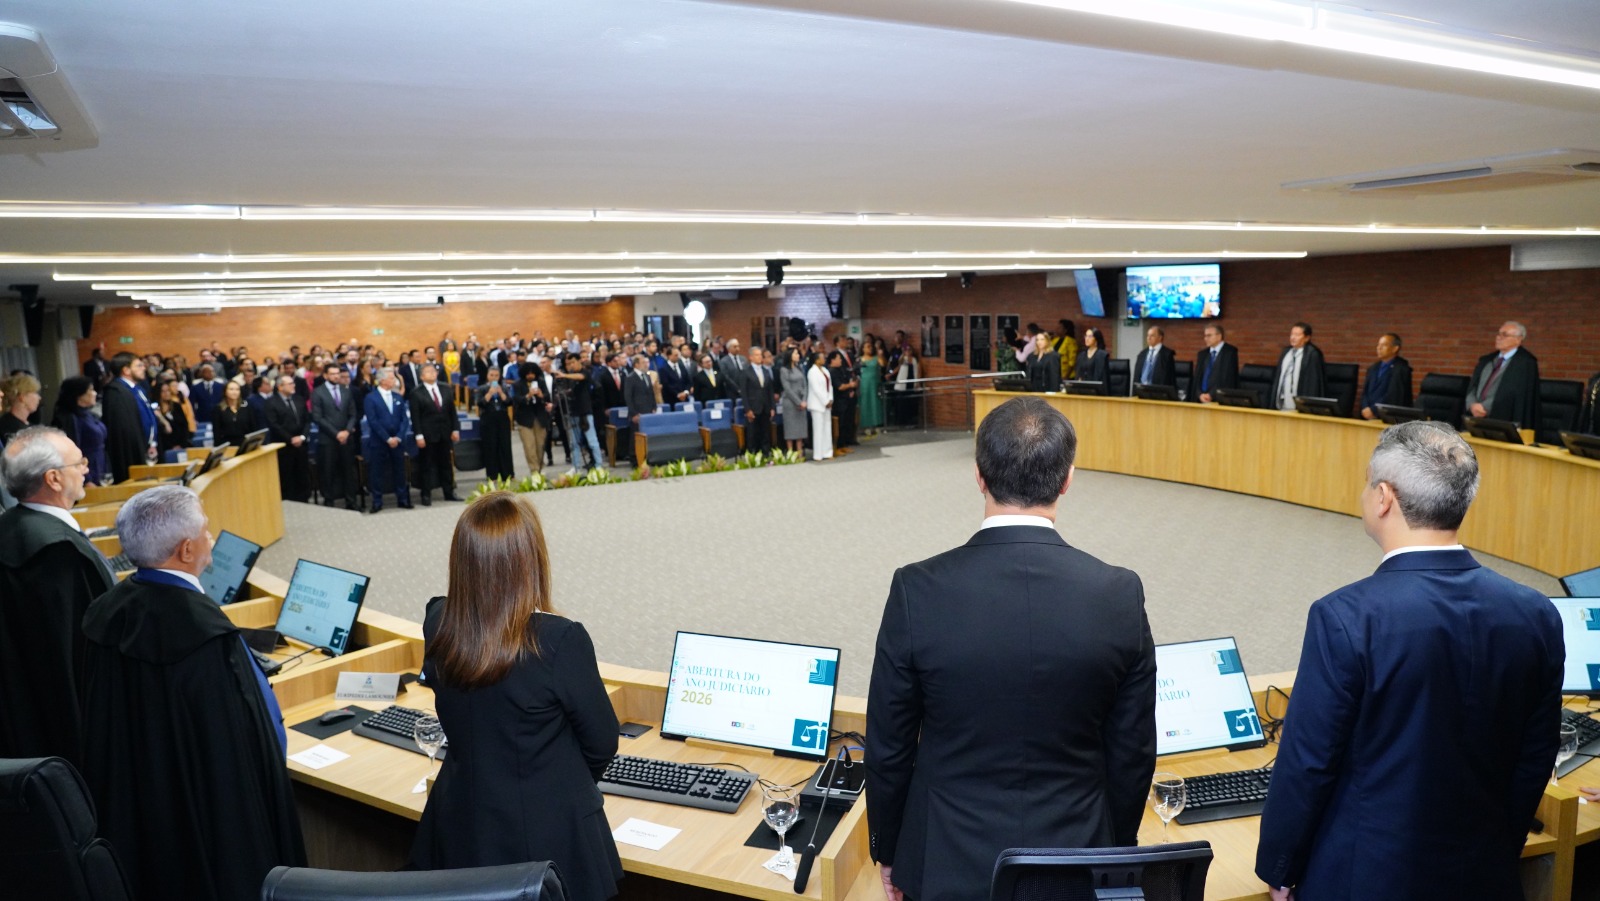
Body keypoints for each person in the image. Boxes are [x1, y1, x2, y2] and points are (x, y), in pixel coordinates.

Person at [1255, 421, 1561, 901]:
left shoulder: (1345, 616)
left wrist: (1280, 867)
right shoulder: (1535, 611)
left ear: (1383, 498)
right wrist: (1498, 848)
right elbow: (1535, 757)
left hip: (1364, 878)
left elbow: (1308, 762)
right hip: (1485, 874)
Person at [866, 396, 1156, 901]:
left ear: (979, 475)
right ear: (1067, 479)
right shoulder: (1119, 593)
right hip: (1079, 863)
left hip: (943, 866)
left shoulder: (917, 589)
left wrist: (890, 850)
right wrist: (1116, 854)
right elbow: (1132, 753)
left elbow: (888, 747)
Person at [80, 485, 305, 901]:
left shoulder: (106, 612)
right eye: (205, 531)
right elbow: (244, 752)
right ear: (186, 550)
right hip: (206, 829)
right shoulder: (205, 637)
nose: (211, 540)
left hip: (137, 815)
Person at [409, 492, 623, 901]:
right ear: (531, 560)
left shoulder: (437, 621)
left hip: (458, 828)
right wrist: (549, 781)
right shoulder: (559, 641)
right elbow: (602, 744)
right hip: (548, 848)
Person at [0, 426, 114, 765]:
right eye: (78, 462)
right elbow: (79, 660)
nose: (87, 468)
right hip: (69, 739)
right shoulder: (58, 555)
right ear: (53, 478)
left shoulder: (11, 527)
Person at [1464, 320, 1541, 428]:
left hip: (1502, 420)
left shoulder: (1525, 363)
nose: (1498, 337)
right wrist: (1472, 405)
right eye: (1499, 334)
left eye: (1504, 335)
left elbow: (1513, 393)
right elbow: (1473, 386)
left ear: (1518, 340)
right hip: (1476, 418)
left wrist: (1485, 407)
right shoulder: (1487, 360)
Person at [362, 367, 414, 512]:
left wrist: (398, 437)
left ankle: (403, 499)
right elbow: (373, 421)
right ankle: (377, 501)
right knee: (376, 472)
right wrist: (387, 438)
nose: (395, 381)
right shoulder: (371, 398)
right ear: (382, 380)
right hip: (379, 441)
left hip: (398, 441)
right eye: (392, 378)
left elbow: (404, 419)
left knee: (400, 471)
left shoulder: (397, 396)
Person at [101, 352, 158, 482]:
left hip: (147, 447)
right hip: (133, 453)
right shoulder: (116, 392)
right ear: (126, 370)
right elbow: (124, 431)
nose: (144, 368)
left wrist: (152, 442)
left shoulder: (137, 389)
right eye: (138, 366)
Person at [410, 363, 460, 505]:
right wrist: (418, 435)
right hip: (427, 435)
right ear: (421, 376)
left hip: (445, 432)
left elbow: (452, 411)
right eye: (428, 372)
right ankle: (426, 494)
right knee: (427, 465)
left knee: (446, 463)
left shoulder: (446, 388)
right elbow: (415, 416)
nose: (432, 373)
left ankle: (449, 492)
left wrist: (455, 429)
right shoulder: (416, 392)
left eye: (434, 371)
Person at [51, 376, 109, 485]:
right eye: (91, 390)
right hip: (87, 471)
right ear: (79, 395)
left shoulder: (89, 414)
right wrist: (86, 479)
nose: (95, 393)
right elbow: (72, 450)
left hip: (101, 466)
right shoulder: (69, 418)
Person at [264, 374, 313, 502]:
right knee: (287, 476)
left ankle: (304, 499)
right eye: (290, 384)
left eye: (293, 383)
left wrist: (302, 437)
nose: (294, 385)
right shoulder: (271, 403)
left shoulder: (299, 399)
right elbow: (274, 425)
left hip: (301, 445)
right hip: (284, 446)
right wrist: (290, 439)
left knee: (303, 474)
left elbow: (307, 420)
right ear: (280, 387)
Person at [557, 354, 605, 473]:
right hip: (573, 412)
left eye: (573, 362)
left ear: (579, 361)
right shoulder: (570, 379)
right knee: (574, 443)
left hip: (585, 412)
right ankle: (576, 466)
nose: (571, 365)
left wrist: (564, 375)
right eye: (568, 364)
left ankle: (599, 465)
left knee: (592, 440)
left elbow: (580, 377)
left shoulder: (585, 373)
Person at [1272, 321, 1328, 411]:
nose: (1293, 338)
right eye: (1292, 334)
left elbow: (1313, 383)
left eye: (1297, 335)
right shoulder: (1286, 352)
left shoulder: (1312, 354)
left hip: (1299, 403)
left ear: (1307, 338)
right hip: (1283, 400)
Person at [1358, 332, 1413, 419]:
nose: (1379, 348)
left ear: (1395, 348)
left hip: (1388, 417)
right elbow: (1365, 393)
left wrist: (1373, 410)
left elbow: (1394, 395)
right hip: (1367, 415)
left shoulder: (1401, 369)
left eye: (1384, 345)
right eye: (1378, 345)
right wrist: (1365, 408)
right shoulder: (1373, 368)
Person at [513, 361, 554, 475]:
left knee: (540, 445)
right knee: (529, 446)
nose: (530, 376)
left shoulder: (541, 382)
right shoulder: (518, 384)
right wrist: (528, 396)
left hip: (540, 418)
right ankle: (534, 470)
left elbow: (547, 397)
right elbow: (517, 400)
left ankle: (541, 467)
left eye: (532, 373)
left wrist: (541, 396)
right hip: (525, 419)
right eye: (528, 374)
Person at [478, 365, 516, 482]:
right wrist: (490, 393)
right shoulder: (482, 388)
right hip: (488, 420)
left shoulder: (503, 387)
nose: (494, 378)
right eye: (492, 375)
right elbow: (481, 403)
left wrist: (500, 393)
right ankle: (492, 475)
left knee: (505, 446)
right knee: (490, 447)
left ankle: (508, 474)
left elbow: (509, 402)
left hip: (502, 419)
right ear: (487, 376)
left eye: (496, 376)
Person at [740, 345, 777, 454]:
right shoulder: (746, 372)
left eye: (760, 355)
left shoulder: (766, 371)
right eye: (757, 355)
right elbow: (744, 393)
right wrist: (748, 410)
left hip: (765, 408)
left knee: (765, 433)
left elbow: (770, 391)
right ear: (751, 357)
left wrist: (772, 407)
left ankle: (766, 455)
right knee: (752, 435)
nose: (759, 357)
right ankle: (752, 456)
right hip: (753, 408)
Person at [1193, 323, 1239, 403]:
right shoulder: (1202, 354)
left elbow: (1228, 379)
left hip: (1220, 400)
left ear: (1219, 336)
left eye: (1209, 335)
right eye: (1205, 336)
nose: (1205, 338)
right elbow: (1197, 378)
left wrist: (1211, 395)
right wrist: (1199, 394)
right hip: (1201, 399)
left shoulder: (1230, 352)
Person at [779, 347, 809, 454]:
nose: (798, 355)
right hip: (790, 403)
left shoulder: (799, 368)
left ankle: (800, 453)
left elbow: (805, 385)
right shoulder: (784, 370)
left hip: (802, 402)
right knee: (791, 430)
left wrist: (804, 400)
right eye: (796, 354)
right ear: (790, 356)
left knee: (800, 430)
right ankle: (791, 453)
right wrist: (798, 402)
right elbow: (787, 388)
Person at [828, 349, 859, 451]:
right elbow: (839, 386)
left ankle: (845, 443)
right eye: (838, 359)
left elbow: (847, 380)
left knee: (847, 422)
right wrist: (850, 385)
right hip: (838, 401)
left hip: (846, 400)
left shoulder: (841, 369)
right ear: (832, 360)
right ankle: (838, 445)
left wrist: (851, 388)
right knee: (840, 424)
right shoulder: (832, 371)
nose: (841, 360)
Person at [806, 351, 834, 461]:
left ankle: (827, 452)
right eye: (822, 357)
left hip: (827, 403)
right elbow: (816, 389)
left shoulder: (826, 371)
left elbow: (830, 386)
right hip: (817, 404)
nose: (824, 359)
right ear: (816, 360)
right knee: (818, 429)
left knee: (827, 428)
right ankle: (818, 454)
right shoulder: (812, 372)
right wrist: (825, 401)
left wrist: (830, 399)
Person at [212, 379, 255, 450]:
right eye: (231, 389)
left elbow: (253, 428)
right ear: (225, 391)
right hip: (227, 446)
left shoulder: (247, 407)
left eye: (237, 389)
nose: (234, 392)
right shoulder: (218, 409)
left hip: (245, 445)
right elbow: (216, 432)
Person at [1, 372, 42, 443]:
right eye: (35, 393)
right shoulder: (5, 427)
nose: (39, 398)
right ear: (22, 397)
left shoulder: (31, 426)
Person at [858, 341, 885, 437]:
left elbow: (882, 364)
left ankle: (876, 424)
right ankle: (866, 426)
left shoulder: (876, 358)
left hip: (875, 384)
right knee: (865, 403)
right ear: (863, 349)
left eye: (871, 347)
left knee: (875, 403)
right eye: (867, 347)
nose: (870, 349)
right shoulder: (860, 360)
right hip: (864, 384)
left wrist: (879, 354)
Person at [1077, 326, 1110, 392]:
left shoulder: (1102, 355)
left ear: (1096, 339)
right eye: (1086, 336)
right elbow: (1078, 376)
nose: (1087, 339)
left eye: (1090, 336)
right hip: (1082, 390)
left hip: (1096, 391)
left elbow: (1102, 378)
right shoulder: (1081, 355)